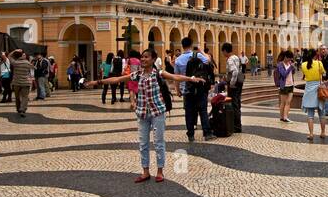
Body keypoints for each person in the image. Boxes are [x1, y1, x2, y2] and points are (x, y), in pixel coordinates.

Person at [98, 48, 203, 182]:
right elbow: (118, 78)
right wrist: (98, 82)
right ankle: (145, 171)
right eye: (142, 57)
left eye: (146, 57)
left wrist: (191, 79)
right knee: (143, 143)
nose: (143, 59)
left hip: (157, 112)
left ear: (153, 59)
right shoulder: (138, 74)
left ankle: (160, 171)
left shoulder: (158, 73)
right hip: (142, 113)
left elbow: (175, 77)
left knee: (158, 142)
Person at [174, 38, 214, 143]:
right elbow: (209, 60)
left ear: (182, 46)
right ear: (191, 45)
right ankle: (207, 133)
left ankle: (191, 134)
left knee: (189, 112)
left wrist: (178, 90)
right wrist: (201, 51)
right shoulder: (198, 56)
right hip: (200, 87)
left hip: (187, 89)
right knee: (203, 110)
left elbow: (176, 77)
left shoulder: (178, 60)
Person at [297, 48, 328, 142]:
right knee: (321, 113)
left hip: (309, 90)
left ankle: (311, 134)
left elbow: (305, 75)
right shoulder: (319, 63)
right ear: (315, 55)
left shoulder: (303, 65)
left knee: (310, 115)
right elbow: (324, 73)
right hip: (319, 90)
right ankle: (323, 132)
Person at [223, 42, 246, 131]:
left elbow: (235, 71)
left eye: (223, 52)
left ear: (225, 51)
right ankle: (237, 124)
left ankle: (236, 126)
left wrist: (231, 83)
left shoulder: (230, 59)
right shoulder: (236, 57)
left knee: (234, 104)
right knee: (237, 103)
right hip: (240, 82)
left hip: (234, 84)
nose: (223, 54)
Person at [9, 49, 34, 116]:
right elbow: (34, 68)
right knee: (25, 97)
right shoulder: (28, 63)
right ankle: (22, 109)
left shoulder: (15, 63)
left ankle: (18, 109)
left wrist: (14, 51)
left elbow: (9, 56)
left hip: (16, 83)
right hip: (26, 82)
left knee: (17, 97)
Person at [273, 50, 296, 123]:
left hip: (291, 85)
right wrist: (290, 67)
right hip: (284, 86)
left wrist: (293, 67)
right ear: (285, 57)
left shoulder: (289, 63)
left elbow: (293, 72)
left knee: (288, 102)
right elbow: (284, 74)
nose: (290, 60)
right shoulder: (280, 65)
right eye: (289, 58)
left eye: (291, 59)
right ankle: (283, 117)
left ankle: (285, 117)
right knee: (283, 102)